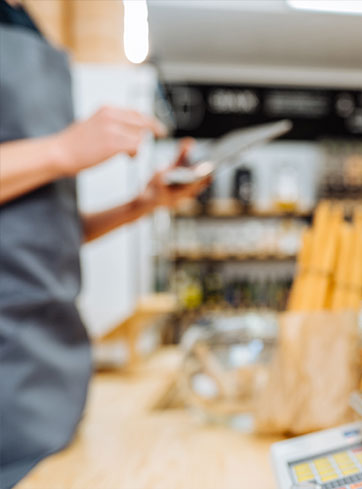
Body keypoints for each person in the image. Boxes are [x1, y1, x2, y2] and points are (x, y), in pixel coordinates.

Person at [0, 2, 209, 486]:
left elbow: (39, 230)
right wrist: (61, 151)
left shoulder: (27, 23)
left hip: (48, 371)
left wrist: (143, 204)